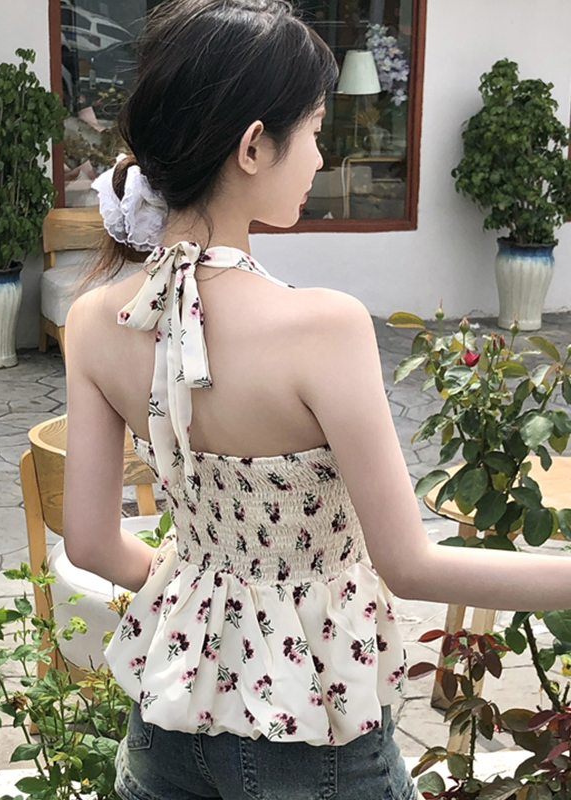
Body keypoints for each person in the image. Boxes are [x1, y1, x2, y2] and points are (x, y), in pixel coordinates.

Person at [61, 1, 571, 798]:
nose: (321, 156)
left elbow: (92, 544)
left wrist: (211, 585)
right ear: (253, 147)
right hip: (312, 729)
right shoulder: (323, 327)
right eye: (315, 131)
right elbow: (410, 565)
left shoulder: (96, 320)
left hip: (170, 716)